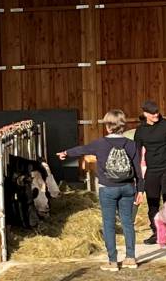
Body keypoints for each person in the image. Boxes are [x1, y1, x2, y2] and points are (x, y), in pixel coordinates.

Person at [58, 110, 145, 271]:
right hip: (127, 187)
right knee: (127, 223)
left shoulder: (100, 144)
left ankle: (113, 261)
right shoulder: (131, 144)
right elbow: (137, 169)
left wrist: (66, 153)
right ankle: (131, 258)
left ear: (108, 126)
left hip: (108, 189)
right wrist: (140, 190)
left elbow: (82, 149)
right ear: (122, 125)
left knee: (109, 224)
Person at [134, 100, 166, 245]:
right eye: (152, 113)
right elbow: (137, 153)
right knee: (152, 202)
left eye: (157, 111)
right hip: (152, 170)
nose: (156, 114)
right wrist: (136, 173)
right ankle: (157, 232)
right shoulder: (140, 131)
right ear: (145, 114)